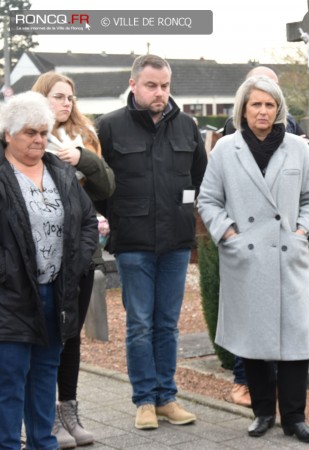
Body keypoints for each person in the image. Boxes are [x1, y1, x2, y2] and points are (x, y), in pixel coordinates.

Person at [198, 75, 309, 443]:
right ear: (243, 109)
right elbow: (208, 200)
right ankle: (263, 412)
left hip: (288, 255)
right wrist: (230, 236)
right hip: (247, 257)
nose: (263, 111)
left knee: (295, 340)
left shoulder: (298, 149)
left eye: (270, 104)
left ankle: (295, 417)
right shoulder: (225, 149)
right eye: (256, 104)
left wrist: (302, 231)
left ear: (279, 108)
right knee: (253, 340)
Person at [96, 54, 208, 430]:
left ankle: (167, 397)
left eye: (165, 86)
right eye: (151, 86)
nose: (159, 93)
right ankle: (144, 399)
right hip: (132, 242)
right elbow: (98, 186)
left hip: (176, 242)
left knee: (167, 324)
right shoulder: (109, 128)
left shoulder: (188, 127)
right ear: (133, 85)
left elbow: (200, 181)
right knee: (140, 324)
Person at [0, 91, 98, 450]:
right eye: (29, 132)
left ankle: (44, 443)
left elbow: (87, 221)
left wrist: (75, 261)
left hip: (56, 292)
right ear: (8, 134)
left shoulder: (61, 171)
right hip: (11, 295)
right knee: (9, 380)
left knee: (44, 376)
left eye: (43, 132)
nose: (39, 139)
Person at [32, 72, 116, 448]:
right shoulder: (28, 138)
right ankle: (44, 414)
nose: (66, 103)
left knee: (71, 337)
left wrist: (83, 158)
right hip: (42, 255)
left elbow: (108, 187)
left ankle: (69, 410)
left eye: (71, 97)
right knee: (42, 335)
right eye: (58, 96)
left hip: (81, 254)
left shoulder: (83, 137)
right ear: (40, 99)